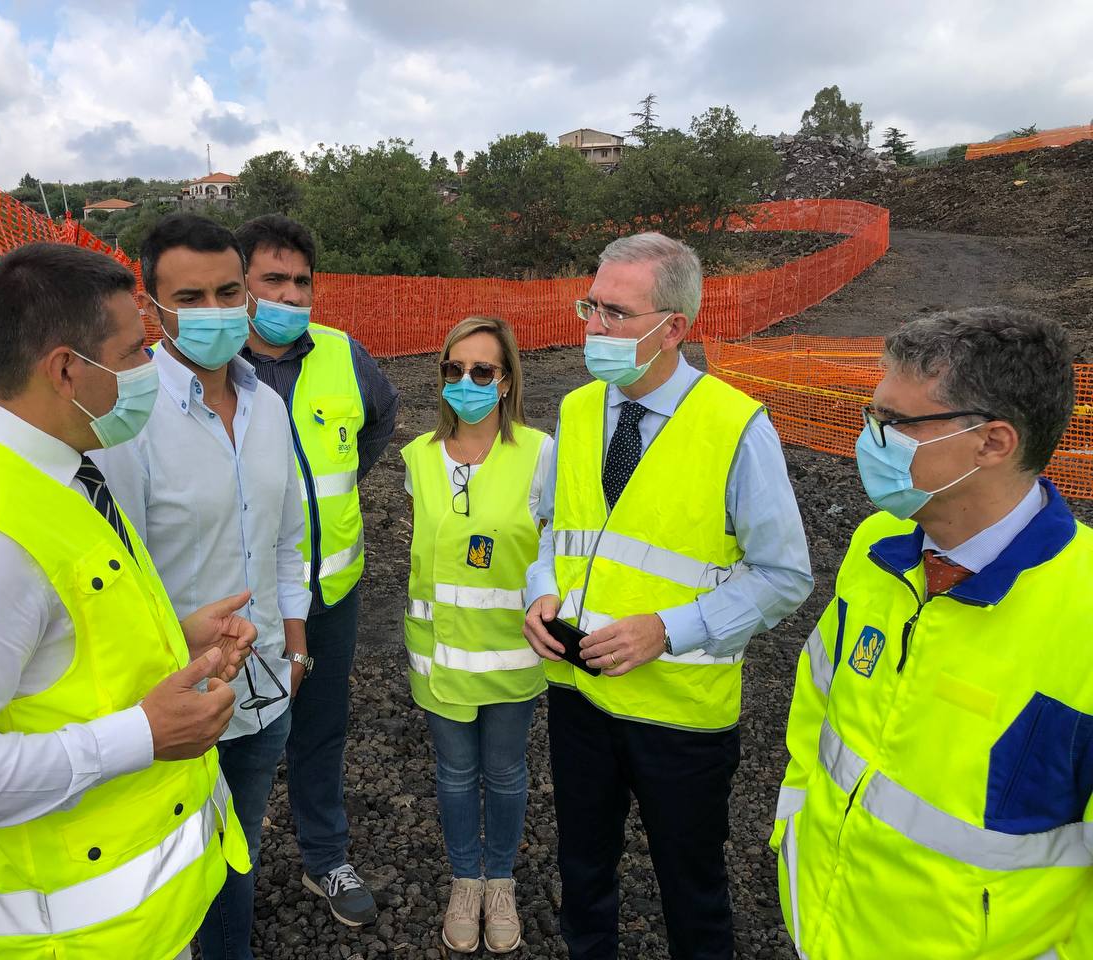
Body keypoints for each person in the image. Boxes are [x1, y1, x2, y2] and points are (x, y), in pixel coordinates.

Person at [0, 242, 254, 960]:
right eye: (134, 351)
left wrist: (179, 635)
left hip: (146, 926)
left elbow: (60, 651)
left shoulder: (62, 475)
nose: (148, 369)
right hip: (69, 940)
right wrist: (143, 734)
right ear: (66, 369)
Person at [522, 232, 813, 960]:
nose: (593, 327)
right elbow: (554, 526)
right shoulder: (579, 410)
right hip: (579, 698)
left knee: (694, 890)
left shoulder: (736, 428)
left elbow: (784, 574)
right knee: (582, 872)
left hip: (680, 717)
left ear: (673, 328)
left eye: (615, 313)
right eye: (590, 306)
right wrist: (540, 593)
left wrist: (672, 629)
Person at [772, 308, 1093, 959]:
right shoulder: (876, 545)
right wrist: (793, 824)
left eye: (892, 423)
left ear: (993, 443)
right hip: (824, 929)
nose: (869, 438)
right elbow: (819, 699)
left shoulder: (1080, 612)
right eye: (872, 415)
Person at [92, 214, 310, 960]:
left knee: (237, 853)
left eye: (227, 291)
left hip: (267, 689)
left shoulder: (269, 409)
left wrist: (296, 649)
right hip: (177, 704)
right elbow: (118, 577)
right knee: (175, 869)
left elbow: (287, 539)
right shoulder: (130, 418)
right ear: (153, 307)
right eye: (192, 296)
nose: (215, 311)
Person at [236, 214, 399, 926]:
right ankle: (219, 880)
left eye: (302, 281)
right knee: (231, 742)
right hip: (238, 604)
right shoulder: (202, 366)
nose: (291, 294)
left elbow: (381, 420)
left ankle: (324, 859)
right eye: (274, 279)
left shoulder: (342, 353)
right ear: (239, 285)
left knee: (321, 731)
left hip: (331, 590)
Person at [401, 317, 553, 954]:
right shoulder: (417, 459)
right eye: (453, 370)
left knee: (507, 772)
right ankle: (467, 878)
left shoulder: (543, 455)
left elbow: (555, 548)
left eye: (482, 371)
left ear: (507, 380)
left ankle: (502, 881)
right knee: (456, 775)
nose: (466, 382)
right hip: (438, 656)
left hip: (512, 655)